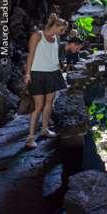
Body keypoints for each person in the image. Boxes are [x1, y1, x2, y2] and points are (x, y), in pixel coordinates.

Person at [24, 13, 68, 149]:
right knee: (38, 106)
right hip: (37, 73)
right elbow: (30, 54)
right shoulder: (37, 35)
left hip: (53, 73)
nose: (63, 32)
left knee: (49, 103)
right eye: (62, 29)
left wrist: (59, 66)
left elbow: (54, 55)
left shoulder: (56, 38)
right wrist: (27, 73)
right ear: (56, 26)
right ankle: (30, 138)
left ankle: (44, 129)